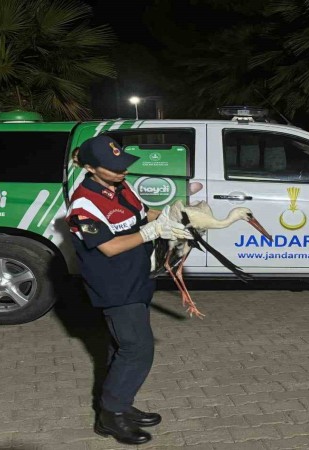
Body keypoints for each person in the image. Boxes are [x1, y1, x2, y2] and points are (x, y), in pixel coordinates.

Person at [66, 135, 193, 445]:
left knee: (120, 346)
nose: (122, 171)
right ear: (91, 168)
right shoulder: (83, 204)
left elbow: (143, 214)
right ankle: (110, 416)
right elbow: (109, 247)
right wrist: (152, 232)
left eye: (123, 164)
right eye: (114, 167)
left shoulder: (121, 186)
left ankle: (120, 403)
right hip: (115, 285)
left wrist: (172, 216)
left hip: (137, 277)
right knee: (137, 348)